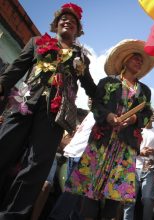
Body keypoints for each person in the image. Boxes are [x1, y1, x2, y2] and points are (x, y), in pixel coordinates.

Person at [0, 3, 96, 218]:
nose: (67, 21)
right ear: (56, 24)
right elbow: (15, 69)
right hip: (23, 106)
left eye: (73, 21)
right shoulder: (36, 43)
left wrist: (106, 101)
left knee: (35, 168)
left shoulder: (81, 57)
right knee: (2, 147)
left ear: (78, 30)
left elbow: (90, 87)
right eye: (63, 18)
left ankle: (11, 215)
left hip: (54, 118)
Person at [65, 39, 154, 220]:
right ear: (125, 61)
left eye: (141, 60)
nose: (139, 62)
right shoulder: (107, 82)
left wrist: (133, 118)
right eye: (135, 58)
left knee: (115, 194)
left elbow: (147, 113)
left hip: (125, 147)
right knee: (91, 189)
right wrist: (108, 117)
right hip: (102, 142)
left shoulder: (145, 91)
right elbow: (97, 105)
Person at [124, 108, 154, 220]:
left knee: (148, 200)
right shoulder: (138, 130)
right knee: (129, 200)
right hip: (134, 167)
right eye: (151, 113)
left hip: (150, 170)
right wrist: (141, 153)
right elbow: (129, 149)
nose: (153, 115)